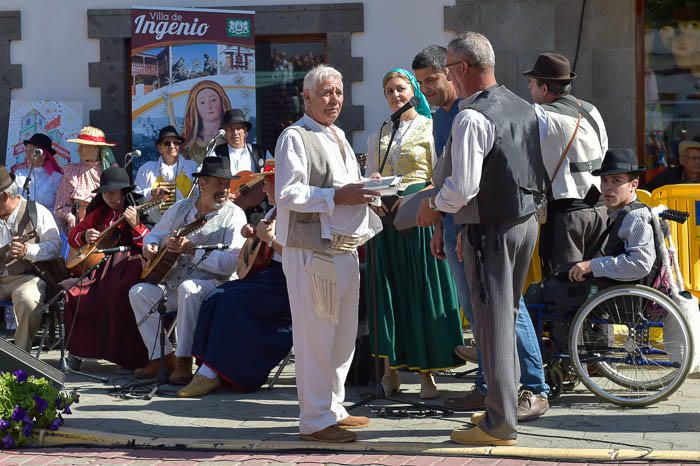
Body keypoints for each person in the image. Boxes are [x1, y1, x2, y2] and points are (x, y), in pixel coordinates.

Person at [416, 32, 547, 446]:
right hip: (523, 221)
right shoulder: (524, 106)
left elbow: (462, 187)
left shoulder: (472, 116)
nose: (449, 77)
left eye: (450, 69)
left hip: (491, 228)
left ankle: (498, 422)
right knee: (502, 318)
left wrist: (434, 205)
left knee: (491, 325)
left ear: (462, 69)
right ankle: (501, 404)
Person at [275, 64, 382, 443]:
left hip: (346, 248)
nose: (334, 99)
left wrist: (370, 192)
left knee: (342, 336)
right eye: (325, 92)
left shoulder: (337, 135)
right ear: (307, 97)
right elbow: (287, 193)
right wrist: (338, 196)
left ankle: (334, 407)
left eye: (338, 92)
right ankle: (315, 420)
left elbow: (346, 189)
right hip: (312, 252)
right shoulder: (295, 137)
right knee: (315, 337)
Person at [365, 67, 463, 400]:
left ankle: (427, 377)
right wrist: (374, 192)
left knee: (420, 291)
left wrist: (434, 215)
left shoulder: (430, 125)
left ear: (414, 91)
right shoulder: (380, 130)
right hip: (387, 216)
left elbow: (439, 175)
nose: (395, 95)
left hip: (418, 213)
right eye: (389, 91)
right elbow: (370, 175)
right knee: (391, 292)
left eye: (401, 89)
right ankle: (390, 369)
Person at [179, 160, 293, 397]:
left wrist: (269, 240)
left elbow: (300, 254)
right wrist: (253, 236)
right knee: (215, 297)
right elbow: (261, 249)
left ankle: (214, 372)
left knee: (229, 302)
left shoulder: (296, 212)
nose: (263, 190)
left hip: (288, 282)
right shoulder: (274, 210)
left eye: (267, 184)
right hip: (268, 276)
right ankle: (208, 368)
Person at [129, 157, 247, 385]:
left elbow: (230, 263)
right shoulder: (180, 208)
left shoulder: (234, 215)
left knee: (188, 288)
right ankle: (161, 356)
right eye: (217, 183)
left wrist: (193, 252)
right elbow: (156, 234)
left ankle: (184, 359)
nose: (223, 189)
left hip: (217, 284)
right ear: (202, 184)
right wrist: (151, 247)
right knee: (138, 292)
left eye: (226, 183)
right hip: (176, 282)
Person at [63, 167, 159, 369]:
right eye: (105, 193)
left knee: (114, 295)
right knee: (73, 293)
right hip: (101, 267)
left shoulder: (140, 207)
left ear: (124, 191)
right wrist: (85, 236)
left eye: (113, 193)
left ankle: (129, 356)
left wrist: (136, 226)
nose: (108, 198)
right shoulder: (99, 212)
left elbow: (152, 246)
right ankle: (79, 351)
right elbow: (74, 236)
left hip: (131, 264)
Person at [524, 52, 609, 277]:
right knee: (595, 282)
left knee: (564, 282)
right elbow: (603, 151)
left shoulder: (541, 115)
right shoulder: (592, 110)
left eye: (532, 84)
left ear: (544, 89)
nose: (530, 90)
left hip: (567, 212)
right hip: (600, 207)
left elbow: (527, 159)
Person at [569, 148, 655, 283]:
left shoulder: (635, 216)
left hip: (631, 298)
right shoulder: (620, 214)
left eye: (616, 180)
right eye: (604, 180)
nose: (607, 187)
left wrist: (592, 265)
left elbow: (640, 264)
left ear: (633, 185)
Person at [0, 167, 62, 352]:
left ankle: (20, 358)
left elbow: (55, 246)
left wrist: (28, 250)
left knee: (28, 300)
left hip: (26, 277)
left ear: (4, 197)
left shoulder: (37, 212)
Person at [54, 126, 117, 232]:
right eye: (79, 146)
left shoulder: (111, 172)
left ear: (96, 148)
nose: (79, 150)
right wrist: (70, 215)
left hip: (106, 229)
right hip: (79, 230)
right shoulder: (71, 172)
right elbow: (60, 205)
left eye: (83, 146)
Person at [133, 126, 198, 213]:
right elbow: (136, 198)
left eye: (176, 143)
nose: (172, 146)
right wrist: (151, 193)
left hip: (185, 221)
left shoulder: (192, 167)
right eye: (167, 143)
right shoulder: (146, 170)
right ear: (159, 148)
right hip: (155, 223)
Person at [182, 80, 232, 164]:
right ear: (195, 108)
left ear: (222, 102)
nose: (209, 106)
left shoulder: (233, 138)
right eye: (202, 102)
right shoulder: (188, 144)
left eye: (213, 100)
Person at [12, 133, 63, 212]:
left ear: (43, 154)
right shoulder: (18, 175)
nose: (27, 156)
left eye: (31, 150)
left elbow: (60, 209)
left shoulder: (56, 178)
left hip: (46, 222)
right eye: (26, 150)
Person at [214, 109, 264, 174]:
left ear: (245, 131)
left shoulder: (261, 152)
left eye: (238, 128)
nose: (235, 133)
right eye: (231, 129)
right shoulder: (216, 154)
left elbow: (273, 171)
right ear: (225, 132)